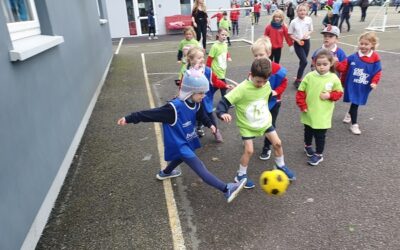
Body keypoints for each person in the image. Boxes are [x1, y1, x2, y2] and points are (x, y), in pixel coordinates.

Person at [117, 69, 247, 203]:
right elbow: (149, 114)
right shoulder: (173, 109)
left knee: (183, 156)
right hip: (179, 143)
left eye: (204, 92)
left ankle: (165, 173)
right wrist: (129, 118)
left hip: (186, 138)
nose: (204, 95)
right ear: (189, 92)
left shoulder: (196, 102)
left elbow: (200, 115)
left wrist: (210, 125)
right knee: (199, 167)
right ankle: (226, 189)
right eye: (201, 93)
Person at [217, 58, 296, 189]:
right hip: (247, 126)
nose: (261, 84)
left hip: (264, 122)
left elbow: (267, 97)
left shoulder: (267, 84)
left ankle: (280, 165)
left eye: (265, 81)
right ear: (251, 75)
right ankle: (240, 175)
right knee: (249, 151)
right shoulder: (241, 89)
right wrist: (222, 113)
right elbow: (224, 102)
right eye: (258, 81)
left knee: (277, 143)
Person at [296, 49, 343, 166]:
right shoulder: (309, 76)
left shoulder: (333, 78)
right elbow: (300, 92)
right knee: (308, 130)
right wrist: (302, 105)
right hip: (308, 111)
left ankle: (318, 154)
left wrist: (329, 95)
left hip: (323, 114)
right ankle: (307, 146)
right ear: (314, 64)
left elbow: (339, 92)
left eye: (325, 64)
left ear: (331, 64)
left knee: (320, 134)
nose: (321, 67)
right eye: (319, 64)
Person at [251, 38, 289, 162]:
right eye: (255, 55)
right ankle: (249, 137)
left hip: (274, 102)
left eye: (261, 54)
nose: (258, 58)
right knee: (254, 119)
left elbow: (284, 82)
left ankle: (267, 147)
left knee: (270, 124)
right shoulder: (254, 68)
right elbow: (250, 80)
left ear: (268, 53)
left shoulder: (277, 68)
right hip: (259, 102)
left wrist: (276, 92)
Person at [336, 31, 382, 135]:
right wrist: (335, 62)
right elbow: (342, 67)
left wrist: (374, 82)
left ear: (372, 45)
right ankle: (354, 124)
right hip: (352, 84)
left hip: (364, 85)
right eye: (361, 43)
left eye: (366, 44)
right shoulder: (353, 57)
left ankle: (350, 114)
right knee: (355, 103)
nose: (363, 46)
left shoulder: (375, 58)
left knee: (355, 102)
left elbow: (377, 71)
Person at [185, 47, 233, 141]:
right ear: (191, 59)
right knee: (195, 115)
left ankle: (216, 131)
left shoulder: (207, 71)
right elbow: (184, 84)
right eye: (199, 58)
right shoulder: (188, 72)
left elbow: (215, 81)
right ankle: (198, 128)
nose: (202, 59)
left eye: (202, 57)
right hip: (193, 99)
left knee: (209, 115)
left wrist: (225, 85)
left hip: (205, 98)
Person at [288, 3, 314, 88]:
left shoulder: (309, 19)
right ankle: (298, 80)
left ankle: (298, 78)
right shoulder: (293, 22)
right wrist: (297, 40)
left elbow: (311, 29)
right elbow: (290, 34)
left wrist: (307, 34)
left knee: (302, 61)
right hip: (298, 43)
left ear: (306, 11)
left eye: (304, 10)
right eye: (300, 10)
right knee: (304, 61)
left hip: (306, 42)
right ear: (297, 12)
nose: (302, 12)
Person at [206, 28, 232, 98]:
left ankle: (206, 97)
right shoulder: (214, 46)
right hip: (217, 69)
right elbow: (209, 58)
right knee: (223, 85)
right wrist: (207, 70)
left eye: (225, 35)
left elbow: (226, 52)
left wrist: (228, 57)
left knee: (215, 86)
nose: (224, 36)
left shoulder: (225, 44)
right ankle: (225, 101)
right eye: (222, 34)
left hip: (223, 68)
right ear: (218, 35)